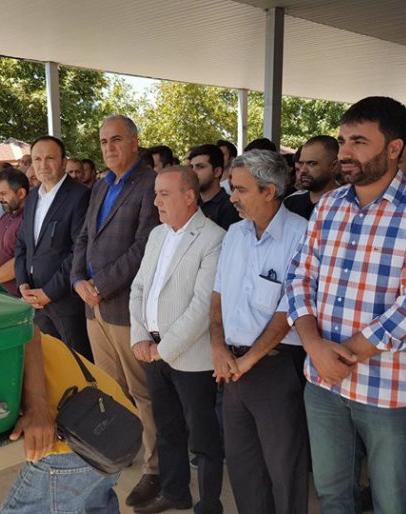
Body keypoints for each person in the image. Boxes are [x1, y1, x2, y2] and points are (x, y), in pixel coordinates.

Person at [286, 96, 406, 514]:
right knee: (333, 496)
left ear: (393, 148)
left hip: (388, 389)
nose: (345, 152)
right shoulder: (330, 205)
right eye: (343, 140)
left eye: (359, 142)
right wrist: (315, 348)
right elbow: (299, 278)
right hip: (322, 383)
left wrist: (345, 355)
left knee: (394, 503)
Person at [210, 150, 309, 514]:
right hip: (232, 366)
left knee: (284, 467)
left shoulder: (301, 235)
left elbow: (291, 308)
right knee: (243, 466)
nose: (232, 197)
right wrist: (219, 347)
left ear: (269, 191)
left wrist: (248, 359)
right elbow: (218, 294)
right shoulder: (235, 234)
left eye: (240, 189)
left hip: (274, 365)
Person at [71, 114, 160, 507]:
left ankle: (155, 469)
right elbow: (84, 238)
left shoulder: (149, 185)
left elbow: (143, 247)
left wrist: (101, 286)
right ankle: (121, 450)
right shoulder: (101, 185)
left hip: (124, 307)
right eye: (104, 141)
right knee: (111, 389)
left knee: (143, 392)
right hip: (94, 308)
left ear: (135, 143)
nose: (108, 147)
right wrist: (77, 281)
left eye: (116, 140)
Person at [130, 166, 225, 514]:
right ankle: (175, 493)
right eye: (156, 194)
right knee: (168, 429)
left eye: (164, 194)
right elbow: (139, 287)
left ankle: (210, 503)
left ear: (189, 195)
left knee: (203, 437)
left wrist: (162, 350)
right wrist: (140, 337)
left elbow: (203, 307)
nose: (156, 202)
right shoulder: (157, 235)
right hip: (154, 352)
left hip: (190, 357)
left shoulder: (213, 238)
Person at [0, 327, 135, 514]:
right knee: (96, 504)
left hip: (78, 439)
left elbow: (27, 332)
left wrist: (37, 408)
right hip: (113, 417)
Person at [16, 136, 92, 360]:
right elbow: (22, 244)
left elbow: (79, 250)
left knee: (77, 366)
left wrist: (49, 292)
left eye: (50, 158)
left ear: (63, 161)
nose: (43, 164)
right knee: (49, 365)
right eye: (37, 159)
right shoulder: (32, 197)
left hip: (65, 303)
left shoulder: (79, 196)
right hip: (34, 301)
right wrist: (22, 283)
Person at [284, 135, 340, 220]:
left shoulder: (348, 205)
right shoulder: (290, 203)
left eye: (312, 164)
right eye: (302, 163)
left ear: (334, 166)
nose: (303, 170)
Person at [188, 144, 241, 230]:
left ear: (217, 172)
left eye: (200, 167)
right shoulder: (191, 203)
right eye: (191, 167)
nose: (193, 172)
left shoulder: (230, 208)